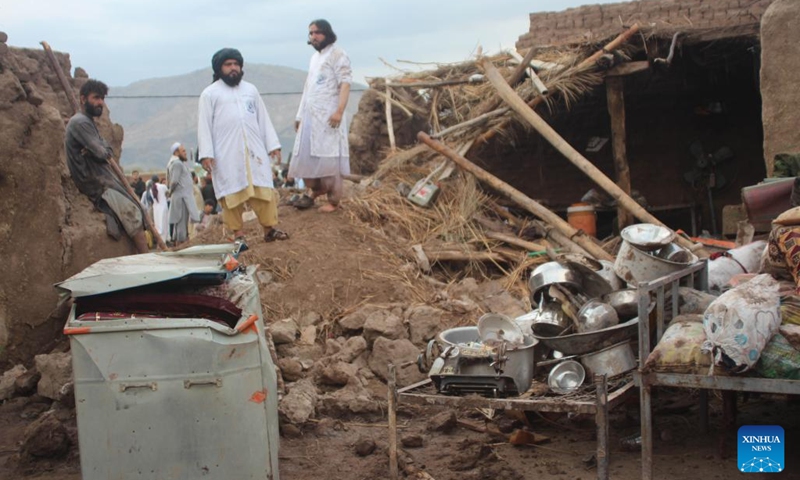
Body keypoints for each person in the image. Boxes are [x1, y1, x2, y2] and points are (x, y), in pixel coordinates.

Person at [197, 48, 289, 243]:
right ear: (219, 68)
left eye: (236, 64)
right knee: (231, 195)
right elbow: (203, 126)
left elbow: (263, 119)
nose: (233, 68)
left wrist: (273, 145)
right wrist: (206, 153)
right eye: (228, 65)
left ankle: (269, 229)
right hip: (226, 154)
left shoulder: (250, 90)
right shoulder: (209, 94)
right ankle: (238, 235)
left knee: (263, 191)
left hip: (254, 151)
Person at [65, 79, 149, 253]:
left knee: (138, 208)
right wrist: (97, 151)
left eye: (102, 98)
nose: (100, 102)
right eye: (96, 98)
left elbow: (107, 150)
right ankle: (146, 256)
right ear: (83, 99)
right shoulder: (80, 122)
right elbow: (102, 153)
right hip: (93, 181)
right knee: (131, 212)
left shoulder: (89, 123)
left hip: (100, 177)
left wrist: (97, 150)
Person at [289, 19, 352, 213]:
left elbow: (345, 84)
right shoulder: (314, 59)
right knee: (307, 158)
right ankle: (313, 193)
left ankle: (334, 201)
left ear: (327, 33)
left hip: (329, 118)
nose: (313, 36)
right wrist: (300, 116)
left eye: (317, 32)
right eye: (311, 33)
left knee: (330, 158)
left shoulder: (338, 54)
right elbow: (308, 89)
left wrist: (339, 111)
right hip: (311, 118)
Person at [166, 142, 200, 245]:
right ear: (176, 153)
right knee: (181, 223)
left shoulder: (180, 164)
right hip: (181, 198)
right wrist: (170, 192)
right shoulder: (177, 164)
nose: (185, 153)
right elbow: (174, 181)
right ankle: (181, 245)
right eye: (183, 151)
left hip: (184, 197)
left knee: (183, 223)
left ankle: (181, 243)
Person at [149, 174, 169, 241]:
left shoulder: (151, 189)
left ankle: (159, 240)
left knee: (157, 224)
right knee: (164, 223)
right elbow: (167, 194)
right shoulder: (163, 186)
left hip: (156, 208)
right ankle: (164, 240)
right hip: (163, 207)